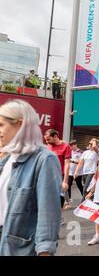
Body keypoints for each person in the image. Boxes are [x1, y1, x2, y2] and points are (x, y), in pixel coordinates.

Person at [0, 99, 61, 256]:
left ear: (20, 125)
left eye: (1, 125)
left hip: (18, 249)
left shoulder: (44, 159)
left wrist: (45, 251)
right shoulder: (7, 159)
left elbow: (48, 214)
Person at [44, 129, 71, 226]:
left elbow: (67, 164)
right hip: (48, 176)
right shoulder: (47, 147)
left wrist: (65, 181)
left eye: (48, 139)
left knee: (60, 198)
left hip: (60, 176)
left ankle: (58, 218)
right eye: (45, 140)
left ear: (55, 136)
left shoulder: (65, 146)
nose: (47, 142)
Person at [67, 140, 84, 208]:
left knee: (79, 185)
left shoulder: (81, 152)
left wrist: (73, 161)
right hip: (70, 172)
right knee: (68, 185)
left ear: (76, 145)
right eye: (70, 146)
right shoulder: (69, 152)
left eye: (72, 146)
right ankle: (69, 200)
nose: (71, 147)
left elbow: (81, 162)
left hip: (78, 173)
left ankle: (85, 198)